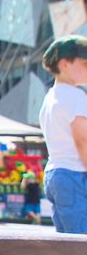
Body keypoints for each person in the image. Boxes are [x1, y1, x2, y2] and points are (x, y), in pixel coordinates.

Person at [39, 35, 87, 234]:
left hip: (54, 173)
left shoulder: (50, 97)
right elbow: (82, 140)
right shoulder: (76, 96)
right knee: (81, 240)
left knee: (65, 239)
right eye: (85, 63)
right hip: (74, 173)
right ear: (64, 64)